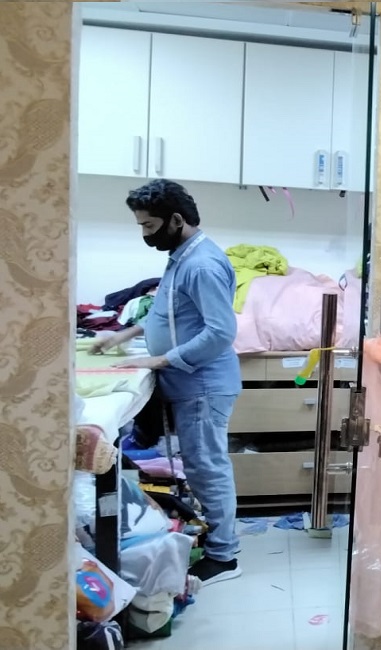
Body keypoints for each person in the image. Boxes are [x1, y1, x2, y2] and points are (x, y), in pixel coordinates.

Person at [91, 179, 243, 586]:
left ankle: (225, 557)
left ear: (176, 220)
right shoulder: (182, 255)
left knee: (207, 468)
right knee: (200, 466)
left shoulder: (202, 265)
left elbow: (220, 332)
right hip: (189, 382)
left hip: (204, 384)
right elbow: (168, 312)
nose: (145, 233)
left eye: (149, 225)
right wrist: (123, 335)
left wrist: (159, 359)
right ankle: (215, 539)